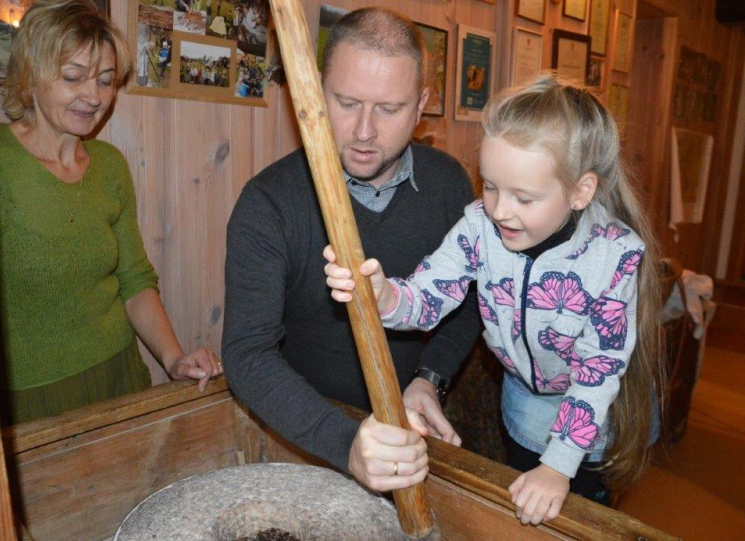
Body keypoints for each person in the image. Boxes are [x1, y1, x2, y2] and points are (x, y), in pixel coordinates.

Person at [324, 75, 664, 524]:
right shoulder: (479, 226)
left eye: (523, 197)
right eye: (489, 186)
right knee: (526, 506)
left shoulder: (613, 259)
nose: (500, 210)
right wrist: (386, 296)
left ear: (581, 192)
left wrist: (559, 467)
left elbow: (597, 374)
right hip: (524, 403)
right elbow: (428, 296)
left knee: (582, 515)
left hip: (594, 414)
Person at [223, 7, 480, 492]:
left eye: (388, 109)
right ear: (316, 89)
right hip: (305, 441)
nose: (364, 130)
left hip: (413, 439)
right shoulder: (269, 203)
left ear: (421, 103)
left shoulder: (448, 185)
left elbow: (470, 301)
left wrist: (431, 376)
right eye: (346, 102)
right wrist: (344, 444)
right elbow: (247, 353)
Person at [0, 0, 222, 426]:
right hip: (29, 401)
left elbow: (133, 279)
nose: (94, 97)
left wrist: (174, 359)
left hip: (120, 378)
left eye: (106, 81)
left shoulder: (109, 166)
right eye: (73, 77)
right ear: (31, 76)